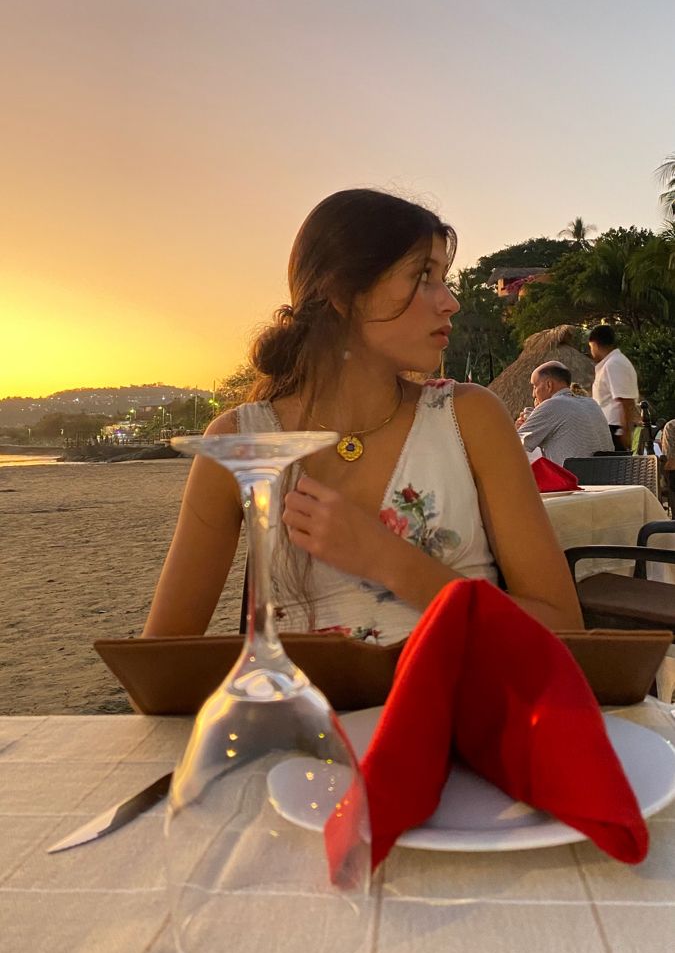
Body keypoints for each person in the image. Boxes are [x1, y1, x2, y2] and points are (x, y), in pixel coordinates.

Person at [143, 188, 582, 642]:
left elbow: (564, 628)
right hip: (311, 714)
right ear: (342, 293)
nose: (450, 301)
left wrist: (389, 561)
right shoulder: (238, 441)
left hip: (461, 708)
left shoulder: (468, 418)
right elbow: (159, 661)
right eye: (424, 276)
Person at [516, 362, 613, 466]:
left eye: (535, 387)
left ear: (549, 385)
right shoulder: (591, 403)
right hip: (607, 476)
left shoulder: (552, 405)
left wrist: (517, 428)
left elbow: (514, 445)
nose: (533, 394)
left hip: (573, 479)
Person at [588, 324, 639, 450]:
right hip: (610, 428)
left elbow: (626, 401)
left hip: (616, 429)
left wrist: (625, 432)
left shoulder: (614, 363)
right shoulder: (611, 363)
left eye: (590, 347)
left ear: (594, 344)